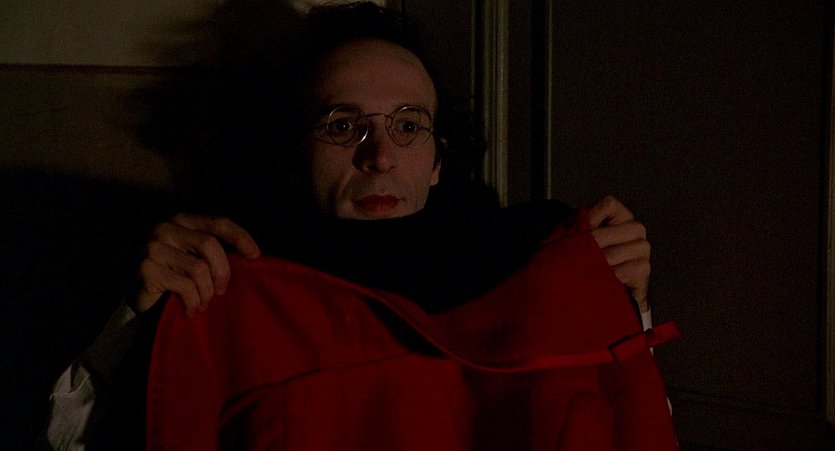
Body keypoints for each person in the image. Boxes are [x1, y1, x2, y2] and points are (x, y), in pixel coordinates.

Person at [45, 2, 665, 450]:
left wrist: (622, 307)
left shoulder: (528, 263)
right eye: (343, 127)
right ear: (294, 155)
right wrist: (135, 320)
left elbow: (633, 426)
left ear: (439, 160)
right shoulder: (219, 274)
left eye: (408, 125)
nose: (381, 157)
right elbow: (71, 437)